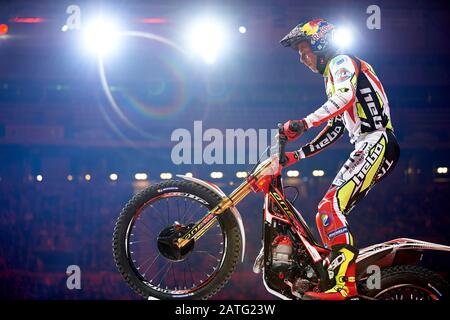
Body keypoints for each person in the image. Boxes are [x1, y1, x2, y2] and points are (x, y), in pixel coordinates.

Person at [278, 18, 400, 299]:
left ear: (321, 43)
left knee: (330, 207)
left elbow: (343, 100)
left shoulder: (341, 62)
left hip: (376, 140)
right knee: (326, 214)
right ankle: (338, 280)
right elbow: (335, 128)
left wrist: (303, 123)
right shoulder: (333, 74)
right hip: (368, 143)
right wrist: (297, 155)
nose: (301, 58)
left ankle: (344, 286)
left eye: (303, 49)